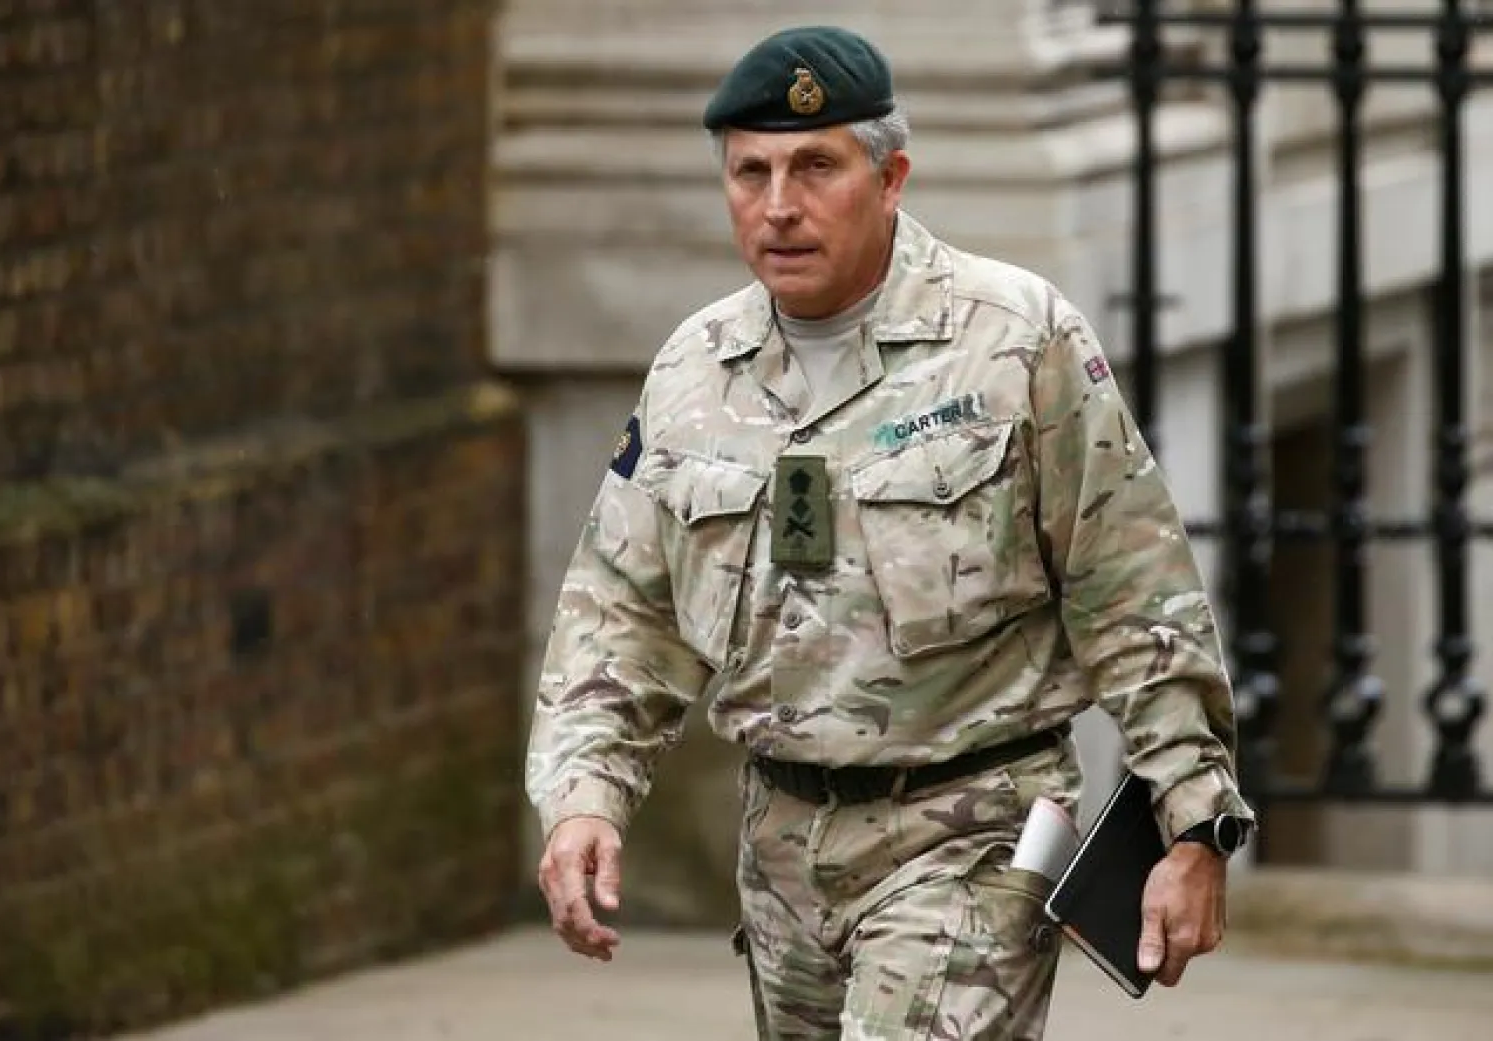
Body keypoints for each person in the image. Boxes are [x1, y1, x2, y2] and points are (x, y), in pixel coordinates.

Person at [525, 23, 1256, 1041]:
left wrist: (1194, 823)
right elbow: (621, 610)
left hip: (968, 834)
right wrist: (584, 798)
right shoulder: (694, 371)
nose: (778, 204)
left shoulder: (1015, 340)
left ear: (891, 176)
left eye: (815, 167)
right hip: (779, 849)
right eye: (751, 172)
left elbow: (1133, 589)